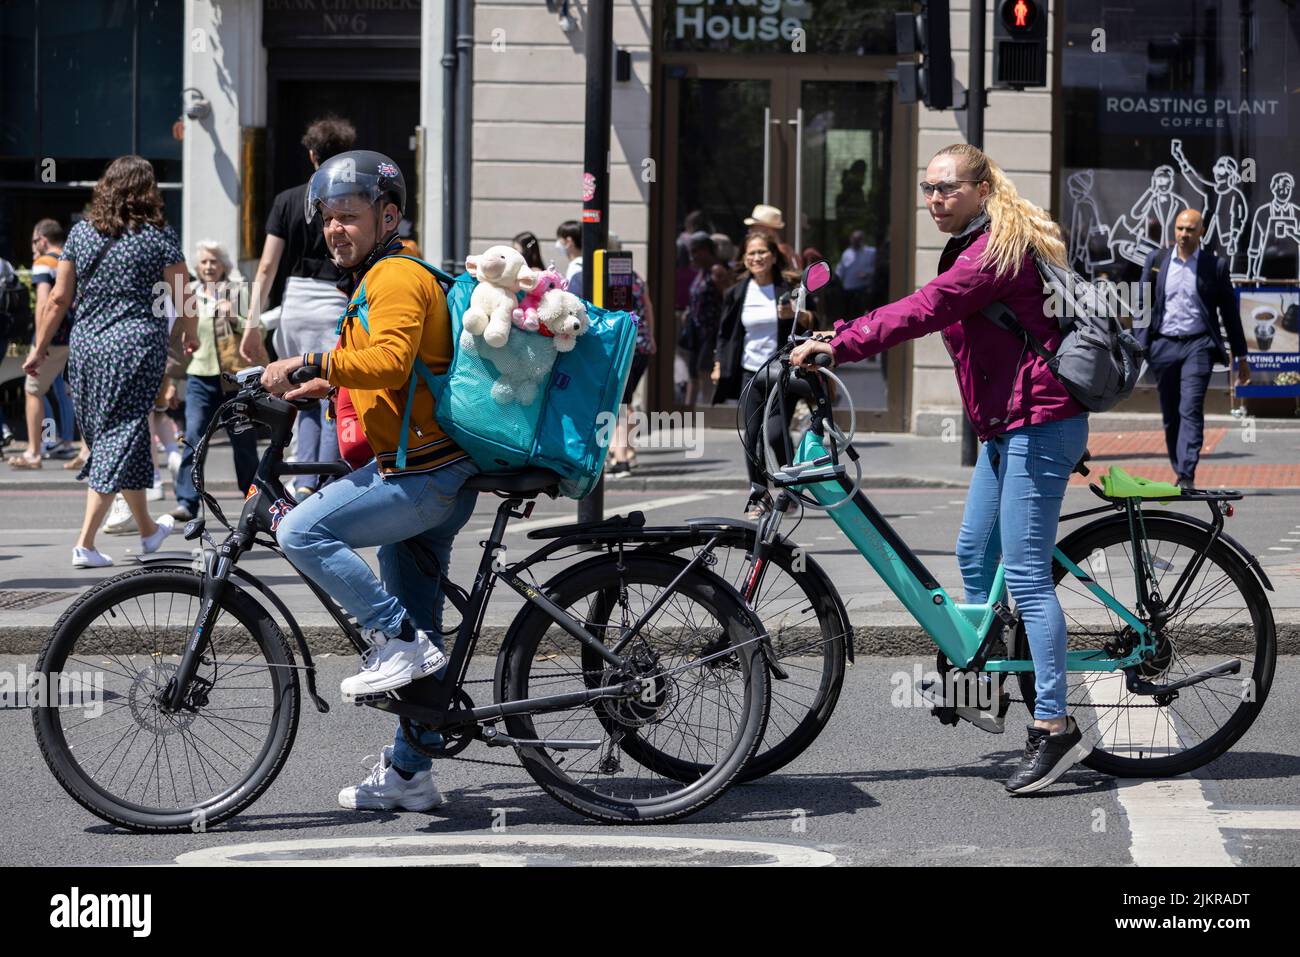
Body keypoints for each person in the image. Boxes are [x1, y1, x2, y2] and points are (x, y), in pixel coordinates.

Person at [792, 142, 1094, 794]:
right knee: (971, 550)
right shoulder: (977, 242)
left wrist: (839, 344)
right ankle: (985, 678)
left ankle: (1054, 723)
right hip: (1008, 426)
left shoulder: (993, 252)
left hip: (1038, 424)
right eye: (928, 188)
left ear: (982, 188)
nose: (934, 199)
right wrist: (838, 329)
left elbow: (926, 307)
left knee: (1027, 575)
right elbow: (925, 305)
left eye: (947, 188)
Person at [260, 150, 480, 812]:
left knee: (301, 527)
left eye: (349, 217)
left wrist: (306, 359)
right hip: (427, 471)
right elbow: (397, 364)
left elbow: (387, 360)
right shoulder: (378, 277)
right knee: (420, 619)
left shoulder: (395, 276)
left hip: (425, 477)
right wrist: (319, 381)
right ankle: (412, 771)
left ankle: (398, 640)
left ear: (388, 216)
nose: (335, 230)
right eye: (328, 220)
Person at [27, 155, 196, 568]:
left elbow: (58, 300)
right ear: (147, 191)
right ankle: (85, 542)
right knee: (117, 437)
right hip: (137, 347)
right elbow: (183, 292)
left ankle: (147, 531)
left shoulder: (82, 234)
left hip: (87, 350)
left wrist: (39, 348)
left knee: (126, 434)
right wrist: (188, 333)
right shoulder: (158, 236)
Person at [243, 116, 356, 498]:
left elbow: (267, 266)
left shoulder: (286, 199)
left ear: (311, 155)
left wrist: (251, 323)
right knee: (332, 393)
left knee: (301, 394)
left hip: (294, 303)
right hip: (333, 302)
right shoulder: (350, 202)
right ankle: (327, 480)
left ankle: (304, 480)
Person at [1136, 209, 1250, 488]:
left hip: (1198, 346)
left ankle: (1186, 473)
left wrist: (1242, 357)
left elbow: (1229, 313)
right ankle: (1180, 467)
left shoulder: (1215, 266)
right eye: (1179, 229)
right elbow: (1142, 305)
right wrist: (1140, 346)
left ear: (1201, 232)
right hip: (1163, 345)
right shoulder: (1157, 261)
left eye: (1190, 230)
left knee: (1191, 407)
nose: (1184, 235)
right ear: (1173, 230)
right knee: (1171, 413)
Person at [713, 230, 810, 519]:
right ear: (744, 258)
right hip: (750, 372)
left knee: (778, 431)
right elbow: (726, 331)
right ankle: (759, 496)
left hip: (783, 370)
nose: (757, 258)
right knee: (751, 435)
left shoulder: (789, 285)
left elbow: (811, 320)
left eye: (762, 252)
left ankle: (790, 490)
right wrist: (718, 363)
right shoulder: (737, 292)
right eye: (751, 253)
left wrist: (797, 314)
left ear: (773, 255)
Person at [169, 240, 261, 522]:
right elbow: (175, 340)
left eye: (214, 262)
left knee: (243, 442)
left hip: (233, 380)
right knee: (194, 438)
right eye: (205, 262)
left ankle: (254, 500)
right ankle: (187, 501)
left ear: (223, 266)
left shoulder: (237, 292)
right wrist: (171, 381)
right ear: (198, 267)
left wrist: (233, 315)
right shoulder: (190, 295)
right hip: (199, 377)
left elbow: (260, 328)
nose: (209, 267)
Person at [8, 219, 76, 469]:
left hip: (54, 336)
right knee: (73, 392)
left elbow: (46, 304)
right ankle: (77, 448)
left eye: (34, 241)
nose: (33, 246)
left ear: (43, 240)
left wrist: (40, 343)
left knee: (33, 389)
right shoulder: (73, 259)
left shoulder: (43, 262)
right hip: (78, 335)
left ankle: (34, 452)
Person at [605, 234, 656, 478]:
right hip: (641, 345)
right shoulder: (633, 277)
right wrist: (652, 337)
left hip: (623, 346)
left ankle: (621, 456)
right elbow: (647, 307)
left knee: (620, 403)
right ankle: (626, 452)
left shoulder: (604, 277)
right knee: (625, 401)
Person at [679, 233, 723, 406]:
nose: (693, 256)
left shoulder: (717, 271)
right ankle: (689, 410)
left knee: (705, 371)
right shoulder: (701, 272)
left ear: (706, 250)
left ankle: (708, 410)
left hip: (710, 331)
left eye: (696, 251)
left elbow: (727, 297)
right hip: (695, 331)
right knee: (693, 373)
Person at [743, 203, 801, 271]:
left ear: (767, 230)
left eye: (753, 227)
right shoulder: (787, 249)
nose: (750, 230)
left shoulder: (780, 252)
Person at [555, 219, 583, 298]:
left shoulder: (575, 267)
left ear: (568, 241)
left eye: (559, 239)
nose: (558, 243)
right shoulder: (584, 263)